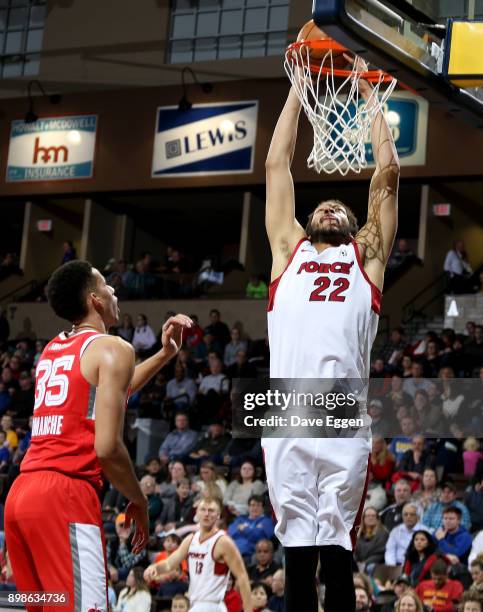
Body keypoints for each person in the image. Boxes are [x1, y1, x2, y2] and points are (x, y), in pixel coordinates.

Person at [263, 54, 400, 612]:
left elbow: (387, 179)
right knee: (296, 546)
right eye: (321, 205)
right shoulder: (286, 251)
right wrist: (300, 84)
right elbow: (276, 167)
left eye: (337, 207)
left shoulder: (366, 257)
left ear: (348, 225)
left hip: (344, 407)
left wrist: (371, 94)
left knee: (336, 544)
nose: (327, 209)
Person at [4, 260, 192, 609]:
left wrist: (166, 353)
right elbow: (106, 447)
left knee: (45, 604)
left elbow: (116, 390)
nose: (114, 291)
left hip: (20, 496)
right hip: (65, 494)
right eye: (107, 285)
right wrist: (138, 500)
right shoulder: (114, 348)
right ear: (95, 300)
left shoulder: (52, 349)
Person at [144, 497, 253, 611]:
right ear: (197, 513)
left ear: (218, 515)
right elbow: (169, 564)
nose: (206, 514)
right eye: (203, 509)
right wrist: (155, 567)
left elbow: (242, 576)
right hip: (195, 604)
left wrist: (249, 609)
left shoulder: (223, 541)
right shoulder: (191, 539)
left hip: (211, 604)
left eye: (211, 510)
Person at [228, 495, 275, 560]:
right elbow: (231, 532)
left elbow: (259, 536)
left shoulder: (267, 521)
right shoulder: (240, 519)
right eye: (252, 505)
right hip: (232, 553)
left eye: (258, 505)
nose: (255, 508)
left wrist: (243, 529)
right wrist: (253, 530)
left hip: (250, 555)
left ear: (263, 508)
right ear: (248, 507)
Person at [355, 506, 389, 572]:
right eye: (368, 516)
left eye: (373, 516)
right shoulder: (358, 534)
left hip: (375, 565)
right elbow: (355, 552)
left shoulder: (383, 533)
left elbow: (379, 553)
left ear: (377, 518)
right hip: (359, 564)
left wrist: (364, 563)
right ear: (363, 518)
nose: (370, 518)